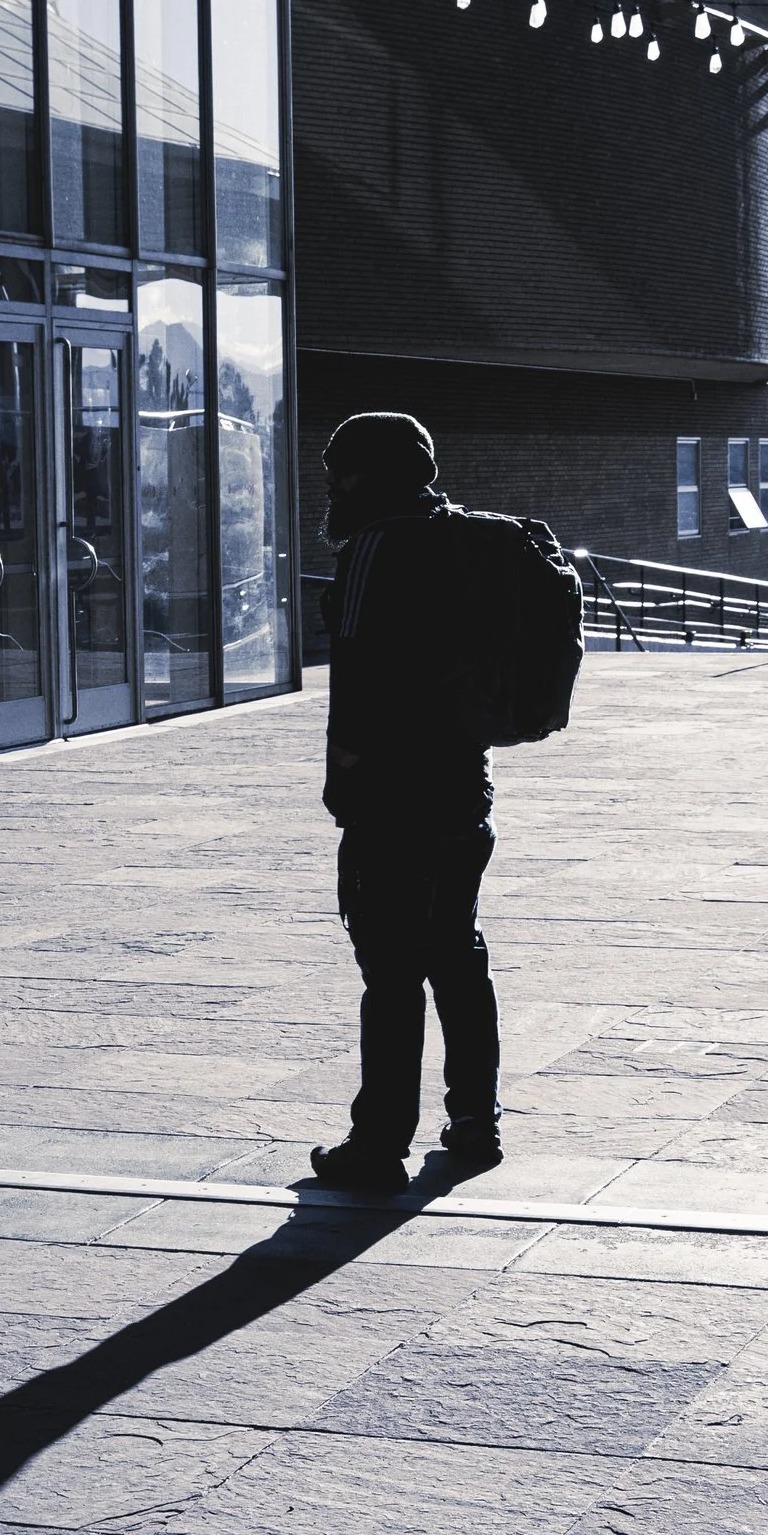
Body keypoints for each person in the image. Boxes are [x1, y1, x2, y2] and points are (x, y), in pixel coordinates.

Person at [310, 410, 503, 1196]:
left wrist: (344, 780)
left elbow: (354, 678)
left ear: (361, 474)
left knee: (390, 972)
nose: (332, 483)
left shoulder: (374, 546)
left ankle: (378, 1143)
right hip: (465, 790)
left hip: (394, 801)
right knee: (458, 958)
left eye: (338, 468)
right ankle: (474, 1123)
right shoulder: (461, 537)